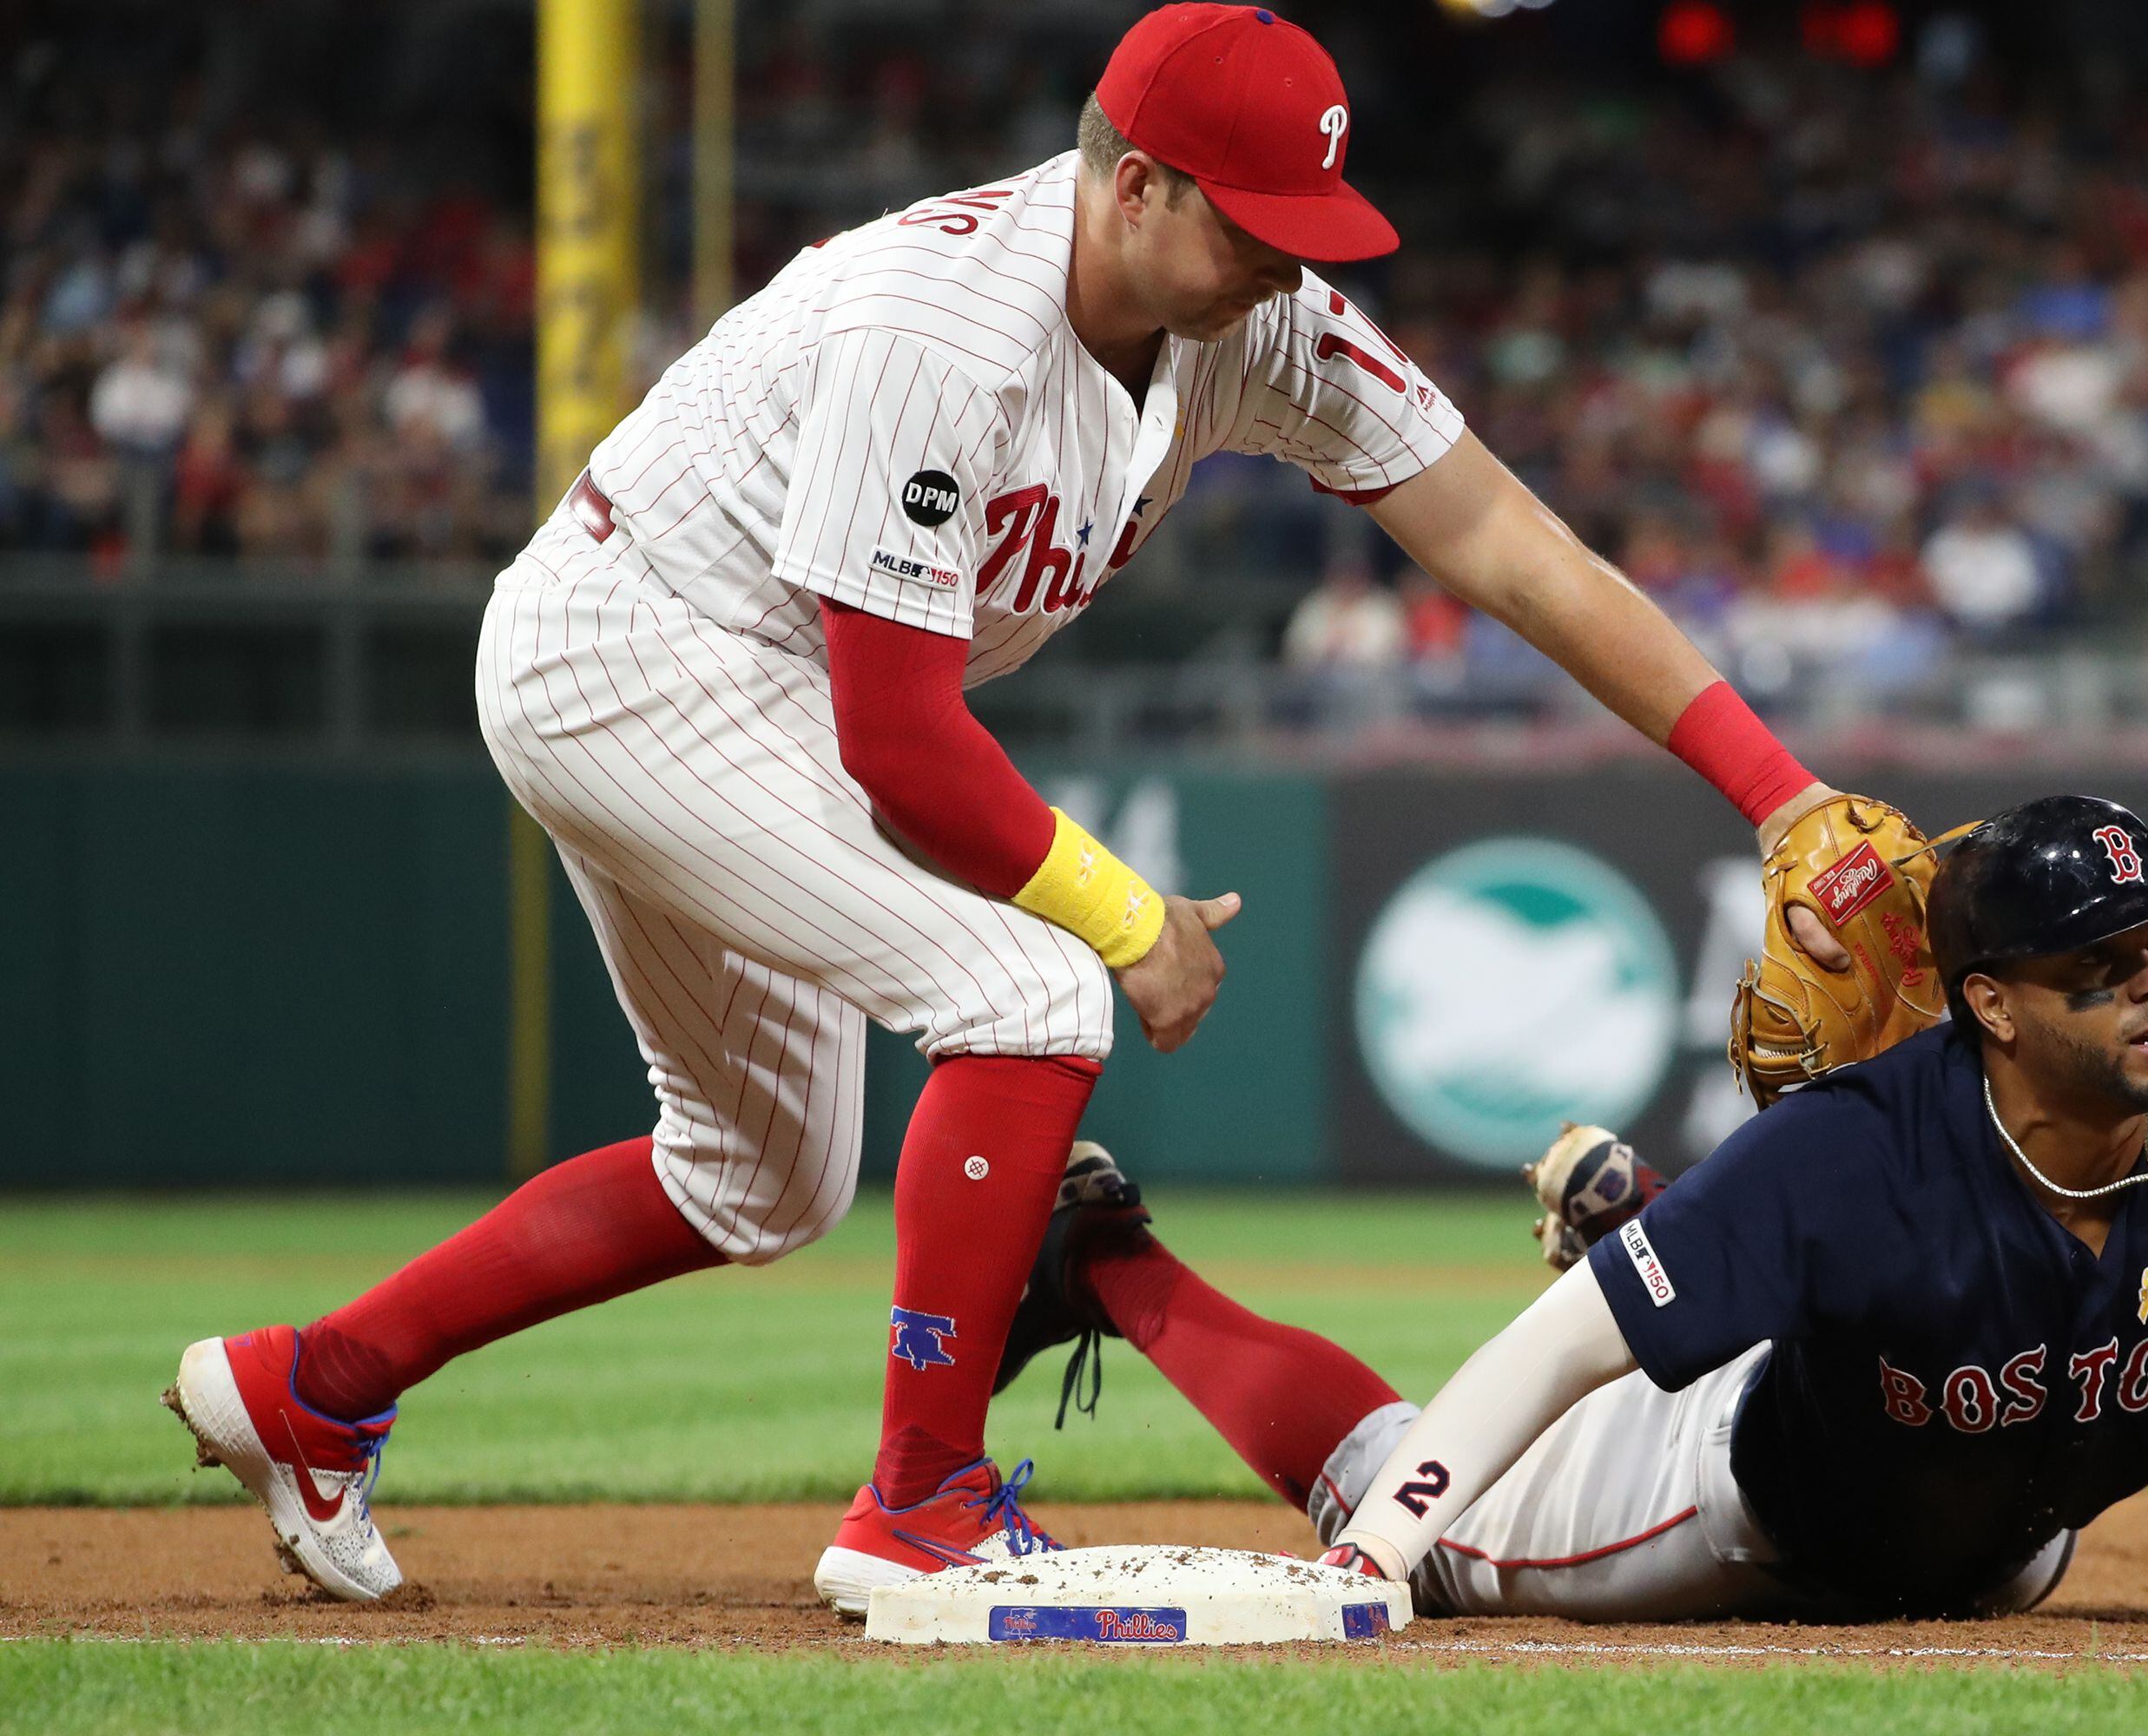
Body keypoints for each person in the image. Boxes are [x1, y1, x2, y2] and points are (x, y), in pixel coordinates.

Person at [161, 3, 1862, 1608]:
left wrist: (1779, 798)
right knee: (1031, 989)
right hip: (637, 653)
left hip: (742, 681)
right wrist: (1129, 922)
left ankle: (311, 1388)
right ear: (1134, 183)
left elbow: (1508, 545)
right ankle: (919, 1504)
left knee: (758, 1178)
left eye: (1307, 218)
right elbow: (900, 745)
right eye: (1255, 218)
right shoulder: (943, 329)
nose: (1289, 256)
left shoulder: (1247, 316)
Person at [1006, 797, 2148, 1628]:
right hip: (1743, 1509)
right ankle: (1112, 1260)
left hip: (1998, 1547)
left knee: (1813, 1326)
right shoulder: (1857, 1146)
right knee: (1420, 1518)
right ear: (1986, 1000)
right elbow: (1558, 1352)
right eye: (2101, 966)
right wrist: (1379, 1547)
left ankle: (1670, 1229)